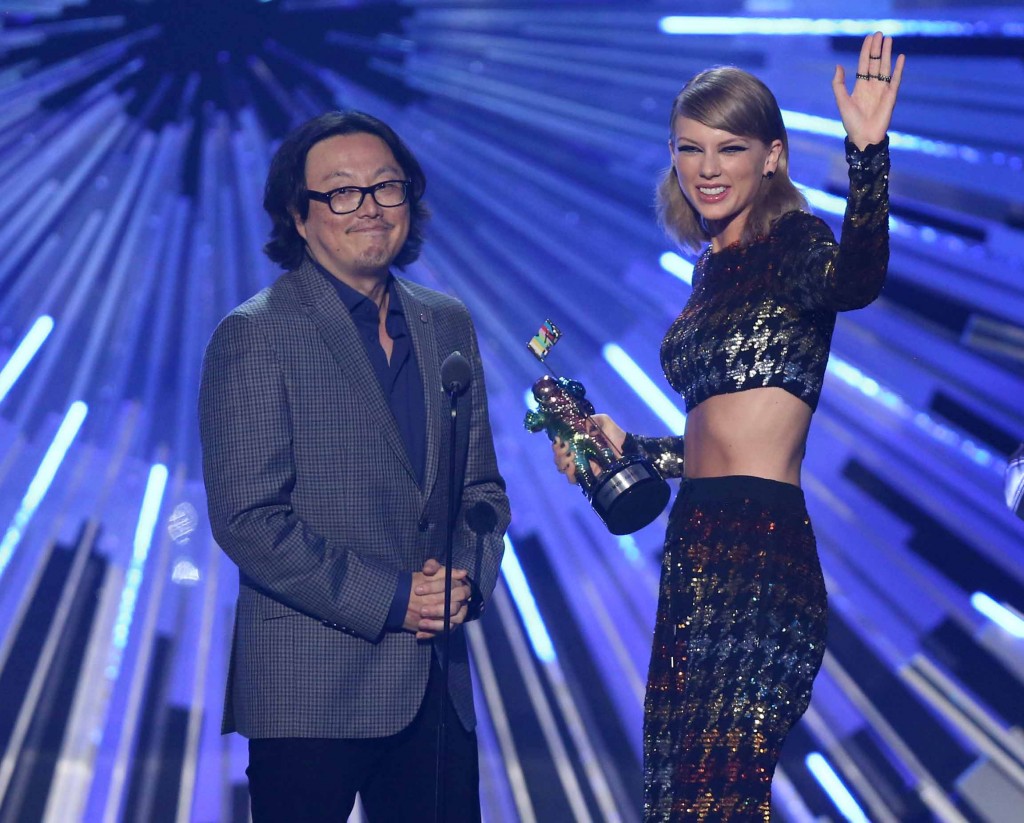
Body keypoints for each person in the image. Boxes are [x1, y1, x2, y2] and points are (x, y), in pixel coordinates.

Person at [553, 32, 904, 821]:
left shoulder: (795, 242)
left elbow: (858, 280)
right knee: (679, 793)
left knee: (719, 795)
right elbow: (715, 440)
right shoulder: (709, 267)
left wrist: (869, 157)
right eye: (689, 148)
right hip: (695, 541)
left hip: (760, 550)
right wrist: (627, 448)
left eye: (730, 147)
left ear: (771, 156)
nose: (707, 168)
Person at [198, 110, 510, 822]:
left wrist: (463, 580)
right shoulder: (254, 334)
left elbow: (481, 490)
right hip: (311, 689)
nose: (368, 207)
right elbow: (248, 519)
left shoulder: (447, 322)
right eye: (342, 193)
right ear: (298, 218)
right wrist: (396, 598)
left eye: (386, 187)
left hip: (435, 685)